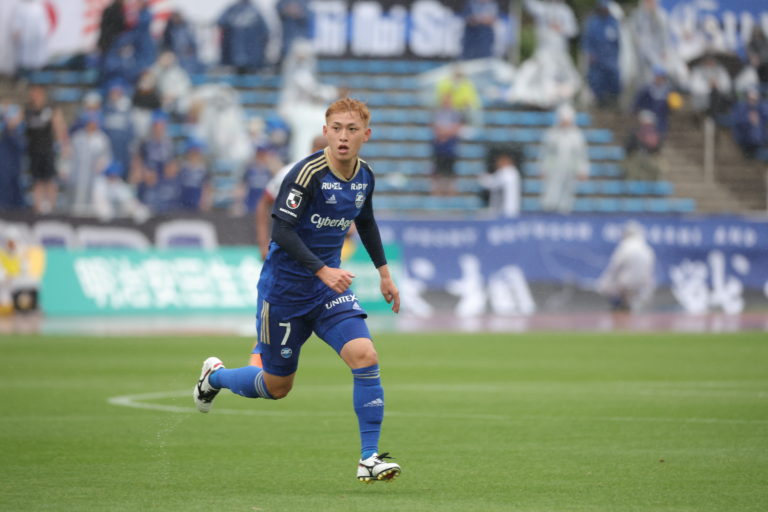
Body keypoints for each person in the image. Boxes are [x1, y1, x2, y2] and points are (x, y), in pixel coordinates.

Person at [194, 98, 402, 483]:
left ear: (366, 135)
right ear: (325, 132)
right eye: (336, 129)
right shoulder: (306, 174)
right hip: (285, 294)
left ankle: (369, 457)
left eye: (352, 129)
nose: (343, 136)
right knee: (277, 387)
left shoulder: (365, 176)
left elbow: (366, 222)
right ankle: (215, 377)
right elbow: (282, 230)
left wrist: (384, 274)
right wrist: (323, 270)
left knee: (365, 355)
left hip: (328, 292)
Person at [255, 134, 327, 259]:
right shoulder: (290, 172)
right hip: (287, 249)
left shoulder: (338, 178)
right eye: (321, 149)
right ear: (313, 150)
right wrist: (263, 243)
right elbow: (264, 202)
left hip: (321, 251)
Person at [24, 85, 69, 214]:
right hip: (34, 150)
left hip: (48, 150)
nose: (34, 95)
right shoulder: (28, 110)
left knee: (50, 179)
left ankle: (52, 208)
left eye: (37, 93)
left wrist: (64, 146)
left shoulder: (50, 109)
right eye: (32, 93)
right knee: (36, 180)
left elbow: (59, 127)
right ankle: (38, 208)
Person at [539, 103, 589, 213]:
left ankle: (565, 212)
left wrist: (583, 170)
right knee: (551, 190)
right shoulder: (551, 134)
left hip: (570, 169)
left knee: (568, 193)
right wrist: (543, 168)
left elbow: (581, 155)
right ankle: (549, 210)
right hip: (554, 169)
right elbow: (545, 153)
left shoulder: (577, 135)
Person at [597, 221, 656, 312]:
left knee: (604, 286)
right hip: (643, 286)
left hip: (627, 285)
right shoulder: (647, 248)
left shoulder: (625, 246)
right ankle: (629, 305)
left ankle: (620, 306)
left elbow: (614, 267)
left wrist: (604, 282)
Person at [582, 0, 621, 107]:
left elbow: (619, 43)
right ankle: (599, 102)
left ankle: (613, 101)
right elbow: (586, 40)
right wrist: (589, 52)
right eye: (602, 8)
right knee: (596, 80)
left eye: (606, 8)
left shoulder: (614, 23)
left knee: (614, 78)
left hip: (610, 58)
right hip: (596, 59)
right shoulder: (592, 23)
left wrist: (616, 56)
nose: (604, 10)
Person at [479, 149, 520, 217]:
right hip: (507, 210)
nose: (497, 163)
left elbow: (491, 184)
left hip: (506, 210)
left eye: (500, 161)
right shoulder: (512, 172)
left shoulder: (507, 172)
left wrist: (483, 177)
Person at [0, 104, 26, 211]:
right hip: (4, 166)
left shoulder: (19, 131)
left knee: (15, 189)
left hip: (15, 167)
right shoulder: (4, 130)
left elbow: (22, 147)